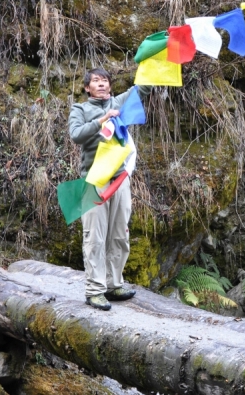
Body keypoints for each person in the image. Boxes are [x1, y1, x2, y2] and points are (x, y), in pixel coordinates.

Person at [68, 68, 151, 311]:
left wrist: (158, 61)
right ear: (87, 88)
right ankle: (94, 290)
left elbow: (143, 89)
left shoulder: (119, 101)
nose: (102, 84)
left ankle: (114, 284)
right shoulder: (80, 109)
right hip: (94, 179)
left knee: (119, 232)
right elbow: (76, 135)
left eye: (105, 80)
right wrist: (101, 121)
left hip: (120, 177)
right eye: (96, 81)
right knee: (94, 236)